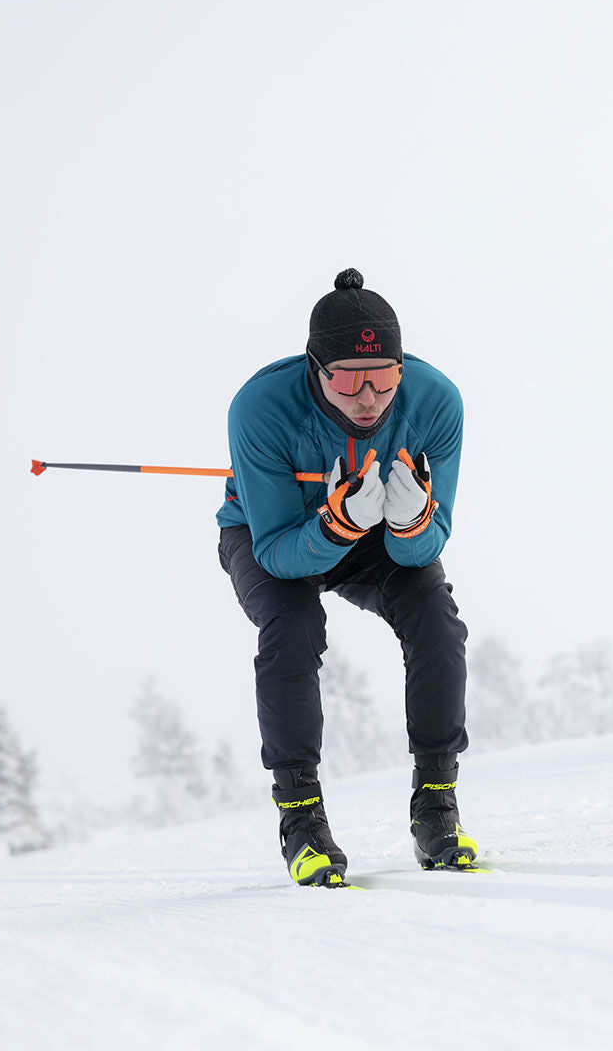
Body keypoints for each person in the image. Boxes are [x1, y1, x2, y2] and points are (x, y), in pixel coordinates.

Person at [216, 268, 476, 887]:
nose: (368, 398)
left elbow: (431, 543)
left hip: (379, 535)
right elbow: (278, 553)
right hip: (269, 533)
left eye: (384, 378)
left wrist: (413, 522)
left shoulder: (438, 402)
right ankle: (302, 821)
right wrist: (335, 526)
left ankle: (436, 806)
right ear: (315, 369)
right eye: (350, 380)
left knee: (437, 621)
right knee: (294, 623)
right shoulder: (259, 408)